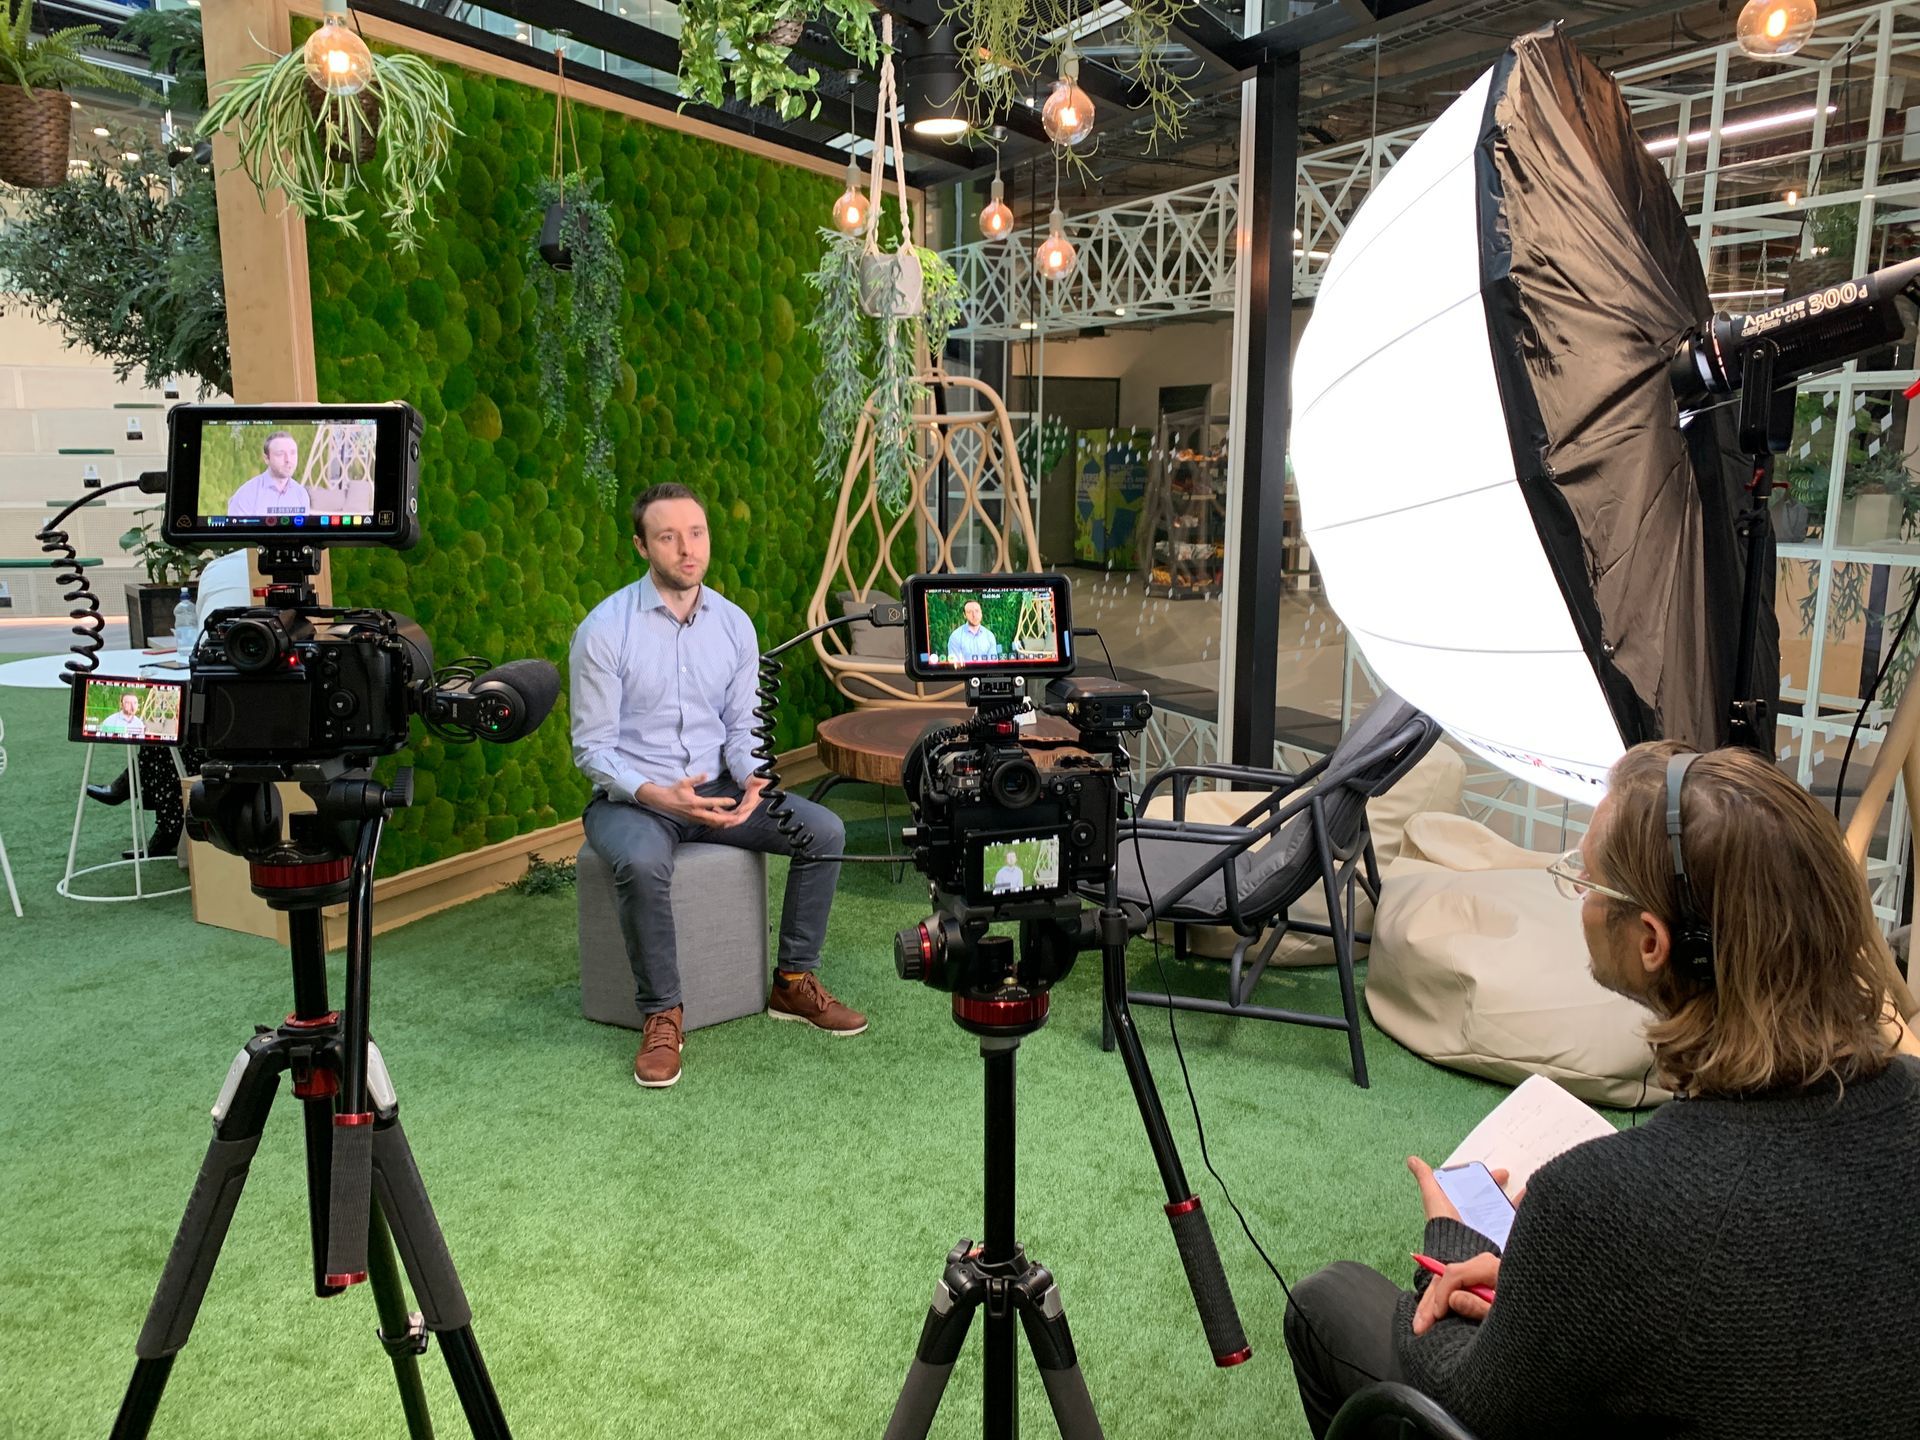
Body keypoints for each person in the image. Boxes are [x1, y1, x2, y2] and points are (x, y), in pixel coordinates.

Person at [1283, 740, 1920, 1440]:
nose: (1580, 899)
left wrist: (1449, 1243)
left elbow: (1466, 1399)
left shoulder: (1604, 1204)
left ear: (1652, 941)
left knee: (1328, 1302)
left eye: (1586, 882)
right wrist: (1557, 1293)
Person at [571, 482, 865, 1090]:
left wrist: (756, 779)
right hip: (634, 800)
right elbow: (592, 749)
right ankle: (662, 1013)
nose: (686, 548)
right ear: (641, 546)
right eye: (668, 536)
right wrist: (656, 795)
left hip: (719, 786)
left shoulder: (734, 626)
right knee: (645, 864)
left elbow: (741, 729)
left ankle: (792, 983)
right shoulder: (604, 630)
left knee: (825, 831)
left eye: (696, 533)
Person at [87, 549, 252, 857]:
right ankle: (161, 823)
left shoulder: (218, 569)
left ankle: (155, 814)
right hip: (231, 699)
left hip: (226, 715)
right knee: (165, 720)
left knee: (167, 724)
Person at [226, 431, 310, 517]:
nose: (288, 459)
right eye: (280, 454)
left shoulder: (301, 495)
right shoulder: (246, 495)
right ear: (266, 459)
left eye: (292, 453)